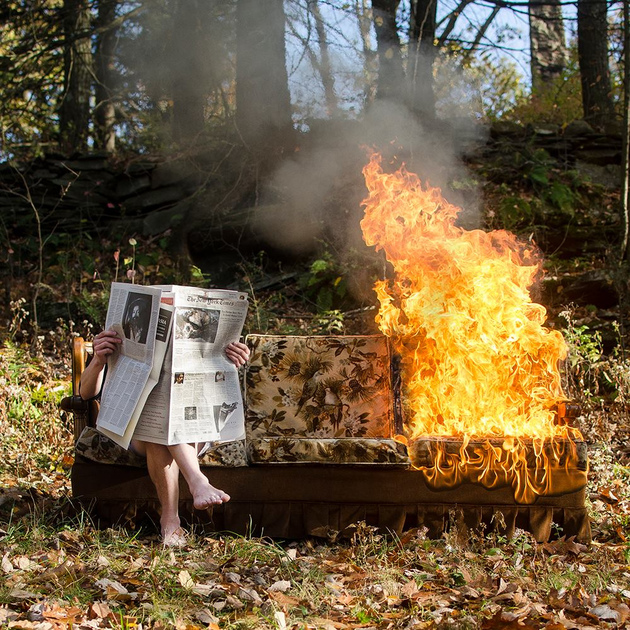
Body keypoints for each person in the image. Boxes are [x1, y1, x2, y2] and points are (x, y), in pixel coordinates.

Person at [79, 328, 250, 547]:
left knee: (161, 429)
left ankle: (170, 521)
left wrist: (230, 360)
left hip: (192, 425)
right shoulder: (117, 337)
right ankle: (197, 480)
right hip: (136, 430)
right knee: (155, 420)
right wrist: (98, 360)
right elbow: (85, 393)